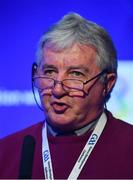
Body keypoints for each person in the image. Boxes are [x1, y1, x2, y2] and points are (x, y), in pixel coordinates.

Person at [0, 12, 133, 179]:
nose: (57, 90)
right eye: (49, 72)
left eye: (75, 74)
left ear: (108, 83)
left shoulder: (129, 147)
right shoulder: (5, 153)